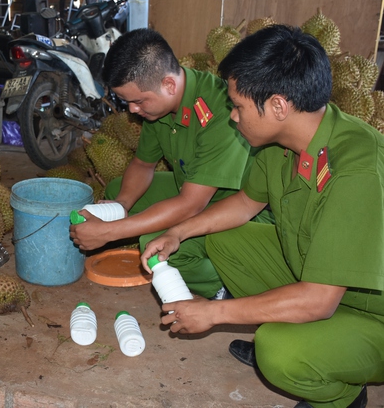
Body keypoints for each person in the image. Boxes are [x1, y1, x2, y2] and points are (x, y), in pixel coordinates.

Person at [141, 25, 383, 408]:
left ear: (277, 106)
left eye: (237, 106)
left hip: (372, 313)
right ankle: (309, 338)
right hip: (318, 274)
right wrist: (178, 232)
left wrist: (213, 313)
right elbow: (244, 204)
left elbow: (319, 301)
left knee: (278, 353)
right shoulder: (281, 141)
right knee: (221, 238)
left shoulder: (356, 168)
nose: (233, 117)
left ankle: (341, 391)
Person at [69, 28, 271, 299]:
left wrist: (109, 232)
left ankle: (225, 285)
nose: (132, 110)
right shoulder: (159, 108)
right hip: (193, 189)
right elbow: (142, 165)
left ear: (169, 85)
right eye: (127, 102)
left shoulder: (220, 112)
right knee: (118, 191)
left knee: (155, 249)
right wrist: (122, 206)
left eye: (138, 101)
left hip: (238, 205)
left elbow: (191, 204)